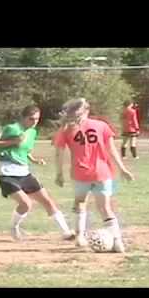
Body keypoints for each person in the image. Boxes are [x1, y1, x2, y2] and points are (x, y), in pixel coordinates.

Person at [53, 98, 135, 253]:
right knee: (105, 208)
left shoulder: (66, 129)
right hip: (102, 172)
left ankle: (80, 237)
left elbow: (59, 152)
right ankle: (118, 241)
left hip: (80, 173)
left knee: (80, 203)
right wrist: (122, 169)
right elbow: (112, 150)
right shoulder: (101, 126)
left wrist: (59, 173)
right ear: (88, 111)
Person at [0, 105, 75, 241]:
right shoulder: (12, 128)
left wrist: (34, 160)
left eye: (37, 119)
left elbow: (25, 150)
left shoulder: (32, 132)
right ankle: (14, 227)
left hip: (24, 172)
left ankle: (66, 232)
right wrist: (13, 141)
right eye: (31, 119)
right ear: (23, 118)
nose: (34, 122)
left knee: (47, 201)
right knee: (26, 204)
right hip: (7, 173)